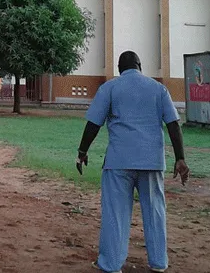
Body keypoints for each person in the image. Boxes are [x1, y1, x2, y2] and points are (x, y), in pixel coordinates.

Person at [77, 51, 190, 273]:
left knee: (115, 214)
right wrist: (180, 158)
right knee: (155, 212)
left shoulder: (109, 88)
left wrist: (82, 151)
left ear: (119, 68)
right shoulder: (159, 89)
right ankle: (158, 263)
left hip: (119, 161)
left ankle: (111, 264)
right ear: (140, 65)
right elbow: (173, 125)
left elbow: (93, 124)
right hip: (152, 162)